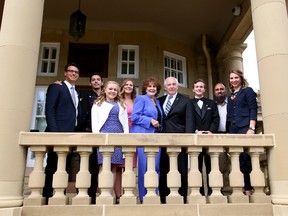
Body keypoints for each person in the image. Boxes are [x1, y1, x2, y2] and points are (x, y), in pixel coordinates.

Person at [43, 62, 81, 203]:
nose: (73, 74)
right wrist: (55, 133)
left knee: (64, 167)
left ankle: (60, 195)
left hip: (70, 135)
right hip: (57, 134)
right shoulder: (56, 87)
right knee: (52, 166)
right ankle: (47, 195)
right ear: (65, 73)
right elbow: (50, 110)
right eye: (71, 71)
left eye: (76, 72)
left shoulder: (75, 92)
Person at [158, 76, 195, 204]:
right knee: (164, 169)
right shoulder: (159, 100)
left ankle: (182, 197)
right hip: (162, 141)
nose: (172, 86)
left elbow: (189, 121)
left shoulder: (186, 101)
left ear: (177, 86)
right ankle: (164, 198)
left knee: (181, 170)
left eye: (174, 84)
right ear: (165, 87)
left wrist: (187, 141)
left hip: (179, 141)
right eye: (169, 84)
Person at [91, 81, 129, 204]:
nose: (112, 91)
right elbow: (95, 123)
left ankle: (111, 195)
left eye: (115, 89)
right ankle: (103, 193)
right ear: (105, 90)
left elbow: (125, 124)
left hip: (118, 137)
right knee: (103, 166)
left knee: (113, 167)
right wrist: (97, 138)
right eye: (110, 89)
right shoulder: (97, 104)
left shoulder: (121, 104)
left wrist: (126, 139)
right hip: (104, 137)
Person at [130, 77, 164, 203]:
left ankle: (154, 194)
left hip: (156, 137)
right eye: (149, 86)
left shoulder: (157, 102)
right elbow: (135, 117)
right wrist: (150, 121)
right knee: (144, 167)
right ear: (145, 88)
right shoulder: (141, 98)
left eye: (154, 86)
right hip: (143, 136)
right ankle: (144, 197)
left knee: (156, 167)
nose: (152, 88)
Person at [227, 69, 258, 195]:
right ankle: (239, 188)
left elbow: (253, 109)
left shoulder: (247, 91)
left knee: (246, 158)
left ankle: (248, 188)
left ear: (241, 78)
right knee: (236, 159)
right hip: (233, 129)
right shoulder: (230, 96)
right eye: (231, 78)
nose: (233, 80)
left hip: (245, 127)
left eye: (236, 77)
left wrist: (252, 128)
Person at [191, 79, 219, 196]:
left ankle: (212, 192)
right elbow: (188, 119)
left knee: (211, 167)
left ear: (204, 89)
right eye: (197, 87)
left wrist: (211, 131)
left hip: (209, 139)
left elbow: (216, 119)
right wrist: (194, 131)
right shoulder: (189, 103)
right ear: (193, 89)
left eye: (201, 87)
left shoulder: (211, 103)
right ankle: (199, 193)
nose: (199, 88)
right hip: (195, 140)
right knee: (196, 168)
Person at [81, 73, 104, 204]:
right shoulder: (84, 95)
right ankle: (86, 194)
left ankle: (96, 196)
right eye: (93, 80)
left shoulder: (106, 96)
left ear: (102, 82)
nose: (96, 82)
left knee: (98, 166)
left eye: (98, 80)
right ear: (90, 83)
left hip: (102, 136)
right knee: (87, 166)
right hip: (88, 134)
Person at [214, 83, 232, 195]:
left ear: (225, 91)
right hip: (218, 136)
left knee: (236, 164)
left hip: (232, 134)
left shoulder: (231, 103)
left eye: (221, 89)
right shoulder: (212, 105)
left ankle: (242, 189)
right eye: (217, 90)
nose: (219, 91)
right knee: (221, 166)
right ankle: (225, 191)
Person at [120, 79, 137, 168]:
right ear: (123, 86)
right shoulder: (118, 100)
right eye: (126, 84)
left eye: (131, 85)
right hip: (121, 131)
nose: (128, 86)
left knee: (130, 164)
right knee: (118, 164)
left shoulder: (136, 101)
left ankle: (128, 182)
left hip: (133, 130)